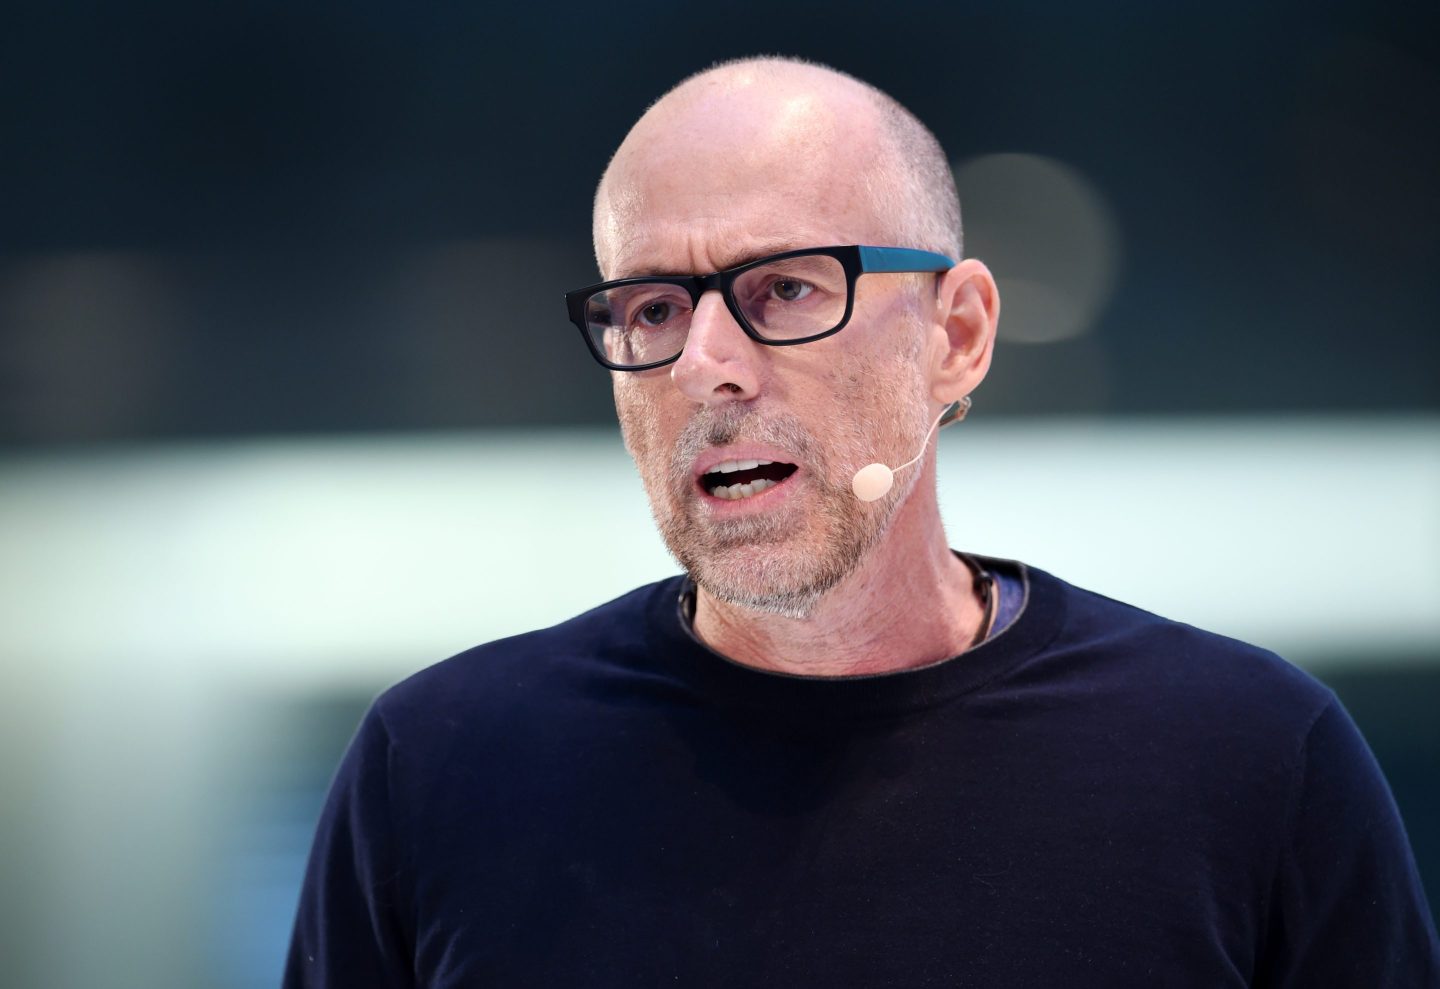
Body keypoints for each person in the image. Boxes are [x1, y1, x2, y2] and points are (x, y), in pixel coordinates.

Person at [285, 57, 1439, 987]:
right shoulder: (440, 768)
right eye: (649, 308)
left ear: (958, 334)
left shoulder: (1246, 757)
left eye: (785, 288)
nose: (705, 364)